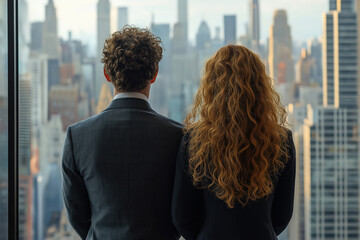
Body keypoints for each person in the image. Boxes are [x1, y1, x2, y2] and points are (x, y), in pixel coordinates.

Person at [62, 26, 183, 240]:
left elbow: (77, 216)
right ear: (154, 74)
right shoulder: (179, 137)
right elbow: (183, 213)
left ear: (107, 74)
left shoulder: (77, 137)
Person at [172, 45, 296, 240]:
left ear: (211, 87)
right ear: (260, 87)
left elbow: (182, 217)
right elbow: (281, 215)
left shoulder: (194, 140)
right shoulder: (281, 140)